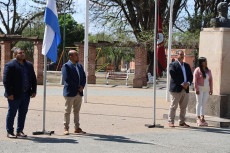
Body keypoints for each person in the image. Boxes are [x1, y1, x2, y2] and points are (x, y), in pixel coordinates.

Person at [3, 48, 37, 138]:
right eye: (20, 53)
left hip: (26, 94)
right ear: (15, 55)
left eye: (23, 52)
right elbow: (6, 81)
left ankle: (20, 130)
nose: (22, 54)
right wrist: (9, 93)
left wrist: (34, 90)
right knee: (12, 113)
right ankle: (10, 131)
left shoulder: (29, 65)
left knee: (23, 113)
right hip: (14, 95)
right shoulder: (10, 65)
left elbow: (33, 78)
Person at [62, 50, 86, 135]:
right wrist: (77, 87)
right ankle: (66, 128)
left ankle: (77, 128)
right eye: (76, 55)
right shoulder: (66, 66)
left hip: (79, 93)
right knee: (67, 111)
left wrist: (82, 86)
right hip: (70, 92)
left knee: (76, 111)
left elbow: (84, 77)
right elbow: (67, 79)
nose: (78, 56)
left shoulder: (79, 66)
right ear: (71, 56)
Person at [168, 51, 193, 127]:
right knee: (173, 106)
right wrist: (182, 84)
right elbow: (173, 75)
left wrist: (188, 83)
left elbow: (190, 76)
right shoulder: (172, 65)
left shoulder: (187, 65)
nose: (182, 56)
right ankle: (171, 121)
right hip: (176, 89)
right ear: (176, 55)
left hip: (185, 89)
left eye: (183, 55)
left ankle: (181, 122)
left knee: (183, 107)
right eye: (180, 54)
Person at [193, 57, 213, 126]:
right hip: (200, 89)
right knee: (199, 103)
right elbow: (195, 81)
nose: (206, 62)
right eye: (204, 61)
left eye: (206, 61)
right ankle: (198, 117)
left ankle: (202, 117)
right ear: (201, 63)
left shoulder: (208, 70)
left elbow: (210, 80)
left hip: (206, 90)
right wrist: (196, 89)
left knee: (203, 104)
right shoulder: (197, 70)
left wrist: (211, 89)